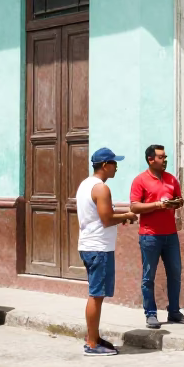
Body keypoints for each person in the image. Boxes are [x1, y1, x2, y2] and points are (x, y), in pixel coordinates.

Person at [76, 148, 137, 356]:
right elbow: (106, 219)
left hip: (89, 245)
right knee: (96, 295)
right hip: (98, 247)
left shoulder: (85, 185)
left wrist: (122, 216)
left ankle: (93, 336)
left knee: (96, 293)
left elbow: (104, 214)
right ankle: (92, 344)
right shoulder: (101, 188)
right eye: (114, 163)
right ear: (104, 165)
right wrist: (126, 215)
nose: (116, 167)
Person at [129, 144, 184, 329]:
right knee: (148, 277)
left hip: (170, 235)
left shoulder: (171, 179)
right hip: (150, 236)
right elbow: (134, 207)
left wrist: (177, 203)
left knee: (175, 274)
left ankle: (174, 311)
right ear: (151, 160)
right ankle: (150, 314)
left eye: (165, 157)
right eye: (161, 157)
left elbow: (178, 200)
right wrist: (158, 205)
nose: (165, 160)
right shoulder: (140, 180)